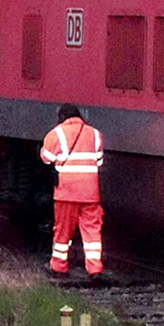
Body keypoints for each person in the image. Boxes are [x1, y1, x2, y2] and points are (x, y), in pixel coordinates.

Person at [40, 104, 105, 280]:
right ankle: (95, 269)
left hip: (66, 192)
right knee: (92, 231)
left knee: (63, 230)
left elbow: (47, 158)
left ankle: (58, 267)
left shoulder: (56, 133)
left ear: (61, 117)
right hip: (90, 193)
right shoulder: (95, 134)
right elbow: (99, 161)